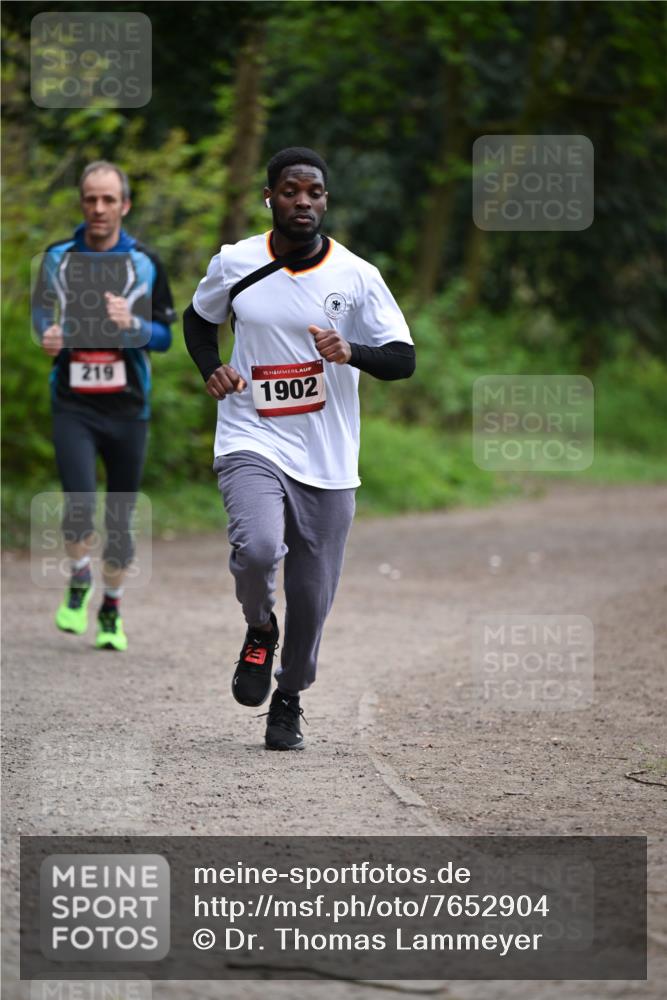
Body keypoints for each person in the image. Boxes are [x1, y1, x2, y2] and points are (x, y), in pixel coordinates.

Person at [184, 146, 415, 750]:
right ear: (271, 198)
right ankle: (260, 628)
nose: (303, 202)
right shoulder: (236, 262)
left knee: (312, 602)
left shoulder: (356, 276)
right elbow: (197, 318)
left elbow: (403, 358)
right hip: (250, 434)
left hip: (328, 457)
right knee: (259, 548)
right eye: (291, 191)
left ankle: (288, 696)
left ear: (326, 200)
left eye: (313, 192)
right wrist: (212, 366)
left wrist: (351, 351)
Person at [32, 160, 175, 651]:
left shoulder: (147, 263)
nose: (98, 208)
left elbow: (165, 338)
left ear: (125, 205)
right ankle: (78, 578)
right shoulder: (56, 257)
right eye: (90, 199)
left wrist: (132, 325)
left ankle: (111, 608)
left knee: (119, 521)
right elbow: (40, 316)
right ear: (82, 203)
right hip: (73, 403)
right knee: (77, 507)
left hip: (128, 408)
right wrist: (46, 337)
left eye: (108, 199)